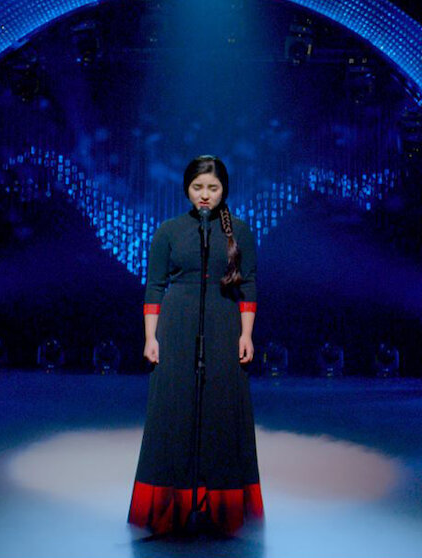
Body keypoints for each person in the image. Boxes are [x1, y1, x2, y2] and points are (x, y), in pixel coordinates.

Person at [128, 155, 264, 535]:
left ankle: (220, 508)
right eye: (198, 187)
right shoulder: (169, 231)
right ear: (187, 189)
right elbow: (155, 286)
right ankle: (172, 504)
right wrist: (150, 337)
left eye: (213, 188)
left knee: (221, 409)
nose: (205, 195)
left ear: (224, 191)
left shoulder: (239, 231)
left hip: (224, 324)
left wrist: (246, 334)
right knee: (173, 410)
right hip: (177, 325)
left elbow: (248, 285)